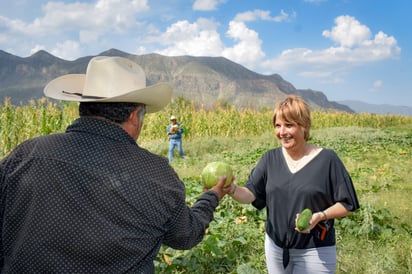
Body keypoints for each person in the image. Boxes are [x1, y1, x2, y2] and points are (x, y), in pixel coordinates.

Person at [0, 56, 232, 273]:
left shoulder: (27, 153)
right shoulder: (157, 174)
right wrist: (211, 197)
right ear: (134, 116)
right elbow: (185, 236)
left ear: (84, 105)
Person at [227, 95, 359, 273]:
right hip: (276, 248)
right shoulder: (270, 159)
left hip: (315, 250)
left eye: (289, 125)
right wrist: (232, 189)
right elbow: (250, 193)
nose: (282, 132)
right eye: (277, 125)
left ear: (304, 126)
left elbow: (347, 204)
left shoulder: (327, 160)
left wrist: (320, 216)